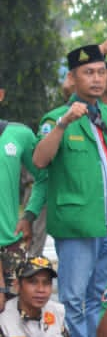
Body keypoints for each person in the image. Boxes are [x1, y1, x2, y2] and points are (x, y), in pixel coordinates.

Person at [31, 43, 107, 337]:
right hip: (76, 224)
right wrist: (63, 124)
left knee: (102, 296)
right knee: (75, 299)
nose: (97, 79)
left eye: (101, 72)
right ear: (72, 78)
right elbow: (40, 161)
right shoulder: (56, 118)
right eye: (88, 73)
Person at [0, 86, 38, 299]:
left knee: (17, 320)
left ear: (1, 95)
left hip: (11, 246)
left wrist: (29, 214)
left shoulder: (19, 134)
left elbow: (44, 176)